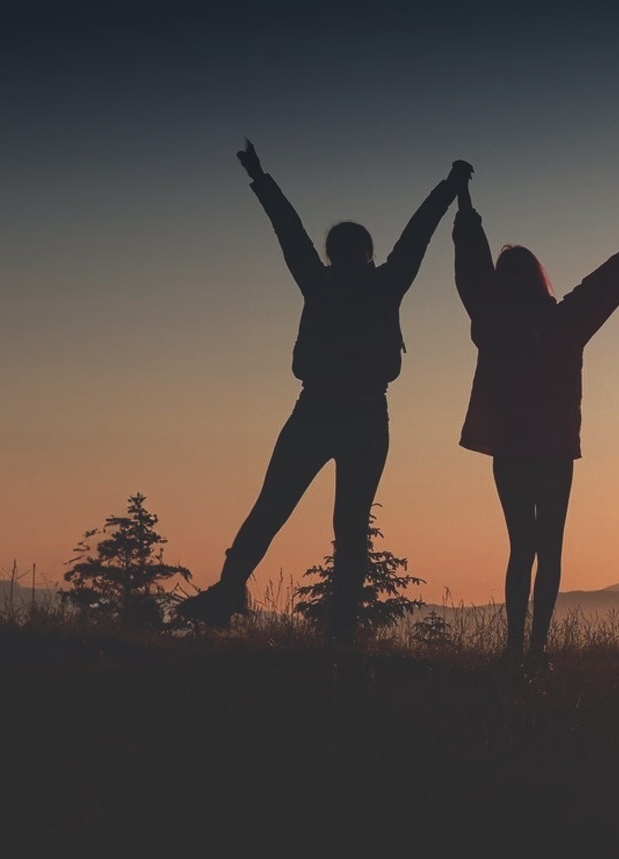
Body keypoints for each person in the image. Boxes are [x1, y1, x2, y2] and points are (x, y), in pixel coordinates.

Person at [176, 140, 470, 644]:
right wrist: (261, 178)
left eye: (351, 247)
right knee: (315, 519)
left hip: (333, 415)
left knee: (298, 514)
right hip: (340, 416)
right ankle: (281, 611)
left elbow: (411, 233)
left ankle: (291, 614)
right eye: (345, 248)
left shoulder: (335, 281)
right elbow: (292, 229)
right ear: (345, 253)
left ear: (348, 253)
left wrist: (447, 188)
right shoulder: (363, 281)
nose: (349, 254)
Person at [452, 171, 619, 670]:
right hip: (547, 450)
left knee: (525, 547)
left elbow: (471, 266)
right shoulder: (562, 321)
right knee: (544, 547)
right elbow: (605, 283)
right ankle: (532, 650)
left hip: (518, 448)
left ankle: (521, 648)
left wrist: (464, 203)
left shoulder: (496, 320)